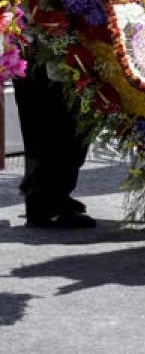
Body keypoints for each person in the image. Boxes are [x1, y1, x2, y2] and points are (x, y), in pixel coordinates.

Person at [14, 60, 95, 228]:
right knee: (62, 127)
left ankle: (48, 197)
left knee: (43, 127)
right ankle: (48, 202)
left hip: (36, 54)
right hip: (47, 57)